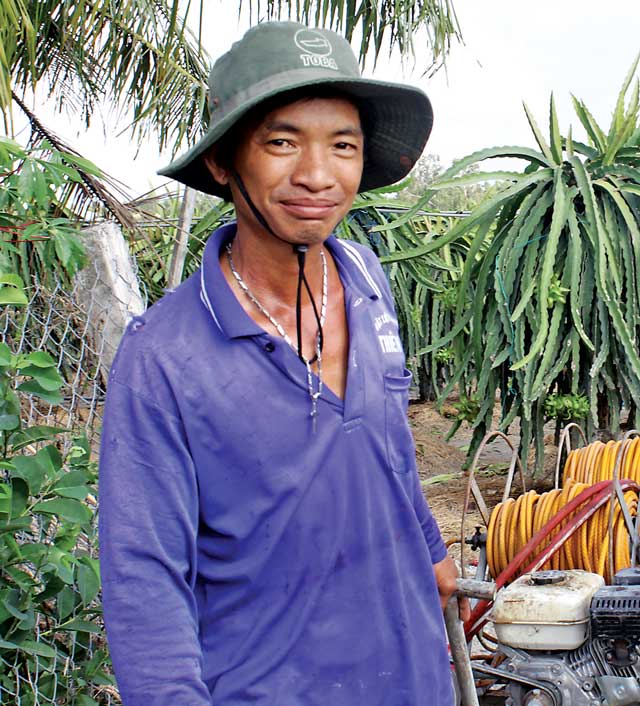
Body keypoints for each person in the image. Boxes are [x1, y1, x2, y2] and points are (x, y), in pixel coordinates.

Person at [99, 21, 466, 706]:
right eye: (281, 142)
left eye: (343, 145)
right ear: (221, 161)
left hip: (410, 677)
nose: (318, 175)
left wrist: (431, 546)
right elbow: (143, 576)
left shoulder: (363, 278)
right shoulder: (165, 356)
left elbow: (387, 442)